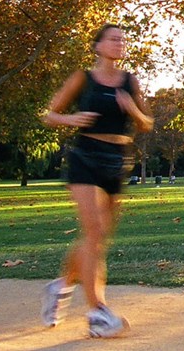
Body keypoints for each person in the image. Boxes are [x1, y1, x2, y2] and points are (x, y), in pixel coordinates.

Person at [40, 24, 153, 338]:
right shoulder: (83, 79)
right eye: (113, 39)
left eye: (122, 40)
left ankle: (60, 286)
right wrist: (70, 119)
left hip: (117, 159)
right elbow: (50, 114)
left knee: (97, 239)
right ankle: (97, 313)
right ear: (98, 46)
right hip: (86, 156)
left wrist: (133, 109)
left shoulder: (130, 82)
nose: (119, 43)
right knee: (95, 233)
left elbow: (146, 123)